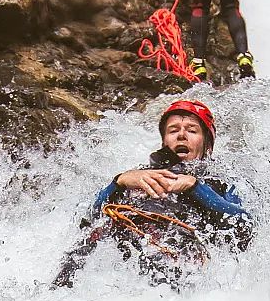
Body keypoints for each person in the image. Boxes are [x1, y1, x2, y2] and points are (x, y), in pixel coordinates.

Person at [53, 100, 252, 289]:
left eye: (192, 130)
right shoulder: (137, 175)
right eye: (173, 130)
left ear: (207, 144)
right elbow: (87, 218)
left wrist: (195, 188)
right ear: (164, 141)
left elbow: (245, 225)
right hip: (120, 245)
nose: (181, 135)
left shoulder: (218, 180)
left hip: (177, 253)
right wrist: (118, 183)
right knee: (86, 244)